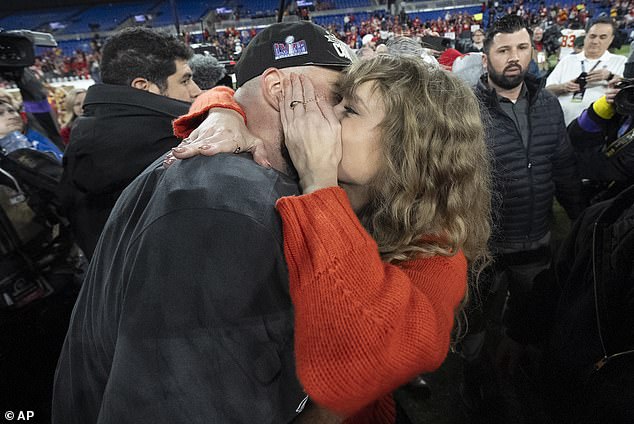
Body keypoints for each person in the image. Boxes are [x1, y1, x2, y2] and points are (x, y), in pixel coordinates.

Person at [52, 21, 353, 424]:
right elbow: (176, 405)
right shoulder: (223, 202)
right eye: (339, 100)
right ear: (279, 91)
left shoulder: (228, 177)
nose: (343, 119)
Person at [167, 55, 492, 421]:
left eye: (349, 110)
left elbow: (366, 355)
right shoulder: (340, 188)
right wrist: (223, 110)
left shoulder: (437, 250)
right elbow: (240, 91)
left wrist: (319, 181)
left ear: (406, 146)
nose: (325, 115)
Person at [464, 14, 584, 421]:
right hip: (485, 247)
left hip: (536, 241)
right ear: (486, 58)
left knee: (532, 317)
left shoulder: (548, 104)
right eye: (503, 50)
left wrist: (580, 217)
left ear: (532, 51)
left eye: (521, 48)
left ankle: (523, 373)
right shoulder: (467, 112)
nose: (514, 58)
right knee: (476, 318)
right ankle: (474, 379)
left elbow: (564, 167)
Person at [57, 27, 201, 259]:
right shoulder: (170, 141)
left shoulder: (87, 132)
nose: (196, 91)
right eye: (185, 80)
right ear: (143, 87)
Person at [567, 49, 634, 202]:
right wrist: (597, 112)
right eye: (630, 84)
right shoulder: (624, 107)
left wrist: (572, 165)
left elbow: (621, 168)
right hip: (604, 195)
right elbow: (575, 137)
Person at [546, 17, 626, 125]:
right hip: (561, 125)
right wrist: (563, 87)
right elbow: (547, 90)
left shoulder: (620, 61)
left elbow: (628, 91)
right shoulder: (568, 60)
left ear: (611, 39)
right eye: (592, 36)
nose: (595, 41)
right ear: (585, 36)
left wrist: (610, 76)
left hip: (599, 127)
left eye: (603, 37)